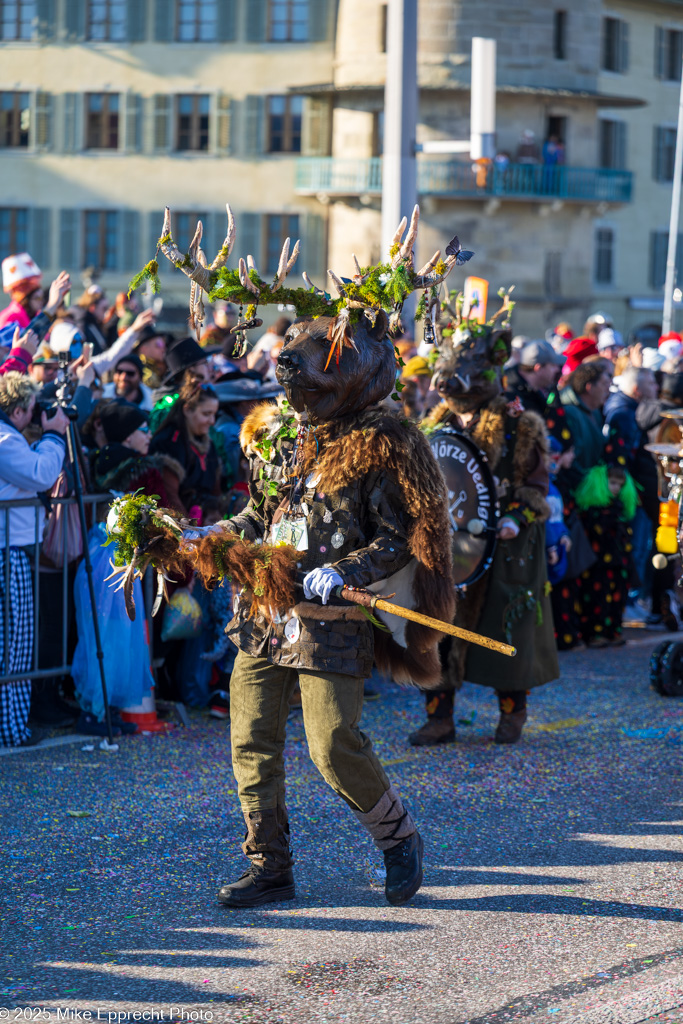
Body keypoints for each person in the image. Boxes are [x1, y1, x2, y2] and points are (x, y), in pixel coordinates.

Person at [410, 321, 558, 748]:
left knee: (502, 630)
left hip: (503, 544)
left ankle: (513, 712)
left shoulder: (519, 425)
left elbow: (535, 486)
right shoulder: (434, 425)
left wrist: (516, 516)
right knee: (436, 629)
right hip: (449, 543)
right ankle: (440, 718)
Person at [72, 402, 162, 736]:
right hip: (108, 563)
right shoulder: (113, 465)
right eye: (142, 428)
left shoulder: (126, 466)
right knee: (105, 636)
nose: (148, 434)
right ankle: (94, 709)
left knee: (121, 636)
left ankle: (107, 708)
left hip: (119, 561)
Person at [0, 372, 69, 746]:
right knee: (16, 644)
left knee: (14, 641)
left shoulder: (10, 436)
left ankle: (11, 726)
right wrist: (55, 435)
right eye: (30, 409)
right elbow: (42, 473)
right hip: (8, 551)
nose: (34, 415)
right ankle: (11, 730)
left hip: (14, 548)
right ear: (17, 409)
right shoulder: (4, 439)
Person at [604, 367, 659, 619]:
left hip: (632, 490)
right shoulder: (623, 413)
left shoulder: (630, 409)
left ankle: (628, 600)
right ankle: (626, 602)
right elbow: (620, 459)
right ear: (637, 388)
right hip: (627, 493)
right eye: (650, 382)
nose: (656, 387)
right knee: (632, 548)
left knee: (636, 548)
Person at [574, 464, 637, 647]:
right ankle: (595, 633)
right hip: (599, 563)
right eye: (612, 483)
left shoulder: (620, 510)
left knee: (618, 596)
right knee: (597, 597)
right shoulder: (593, 512)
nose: (616, 488)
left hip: (619, 563)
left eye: (620, 484)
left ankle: (613, 631)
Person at [149, 379, 221, 521]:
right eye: (206, 414)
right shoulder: (168, 442)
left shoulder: (207, 443)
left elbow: (215, 491)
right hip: (178, 525)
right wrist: (189, 532)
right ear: (187, 410)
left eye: (214, 414)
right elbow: (170, 496)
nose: (212, 421)